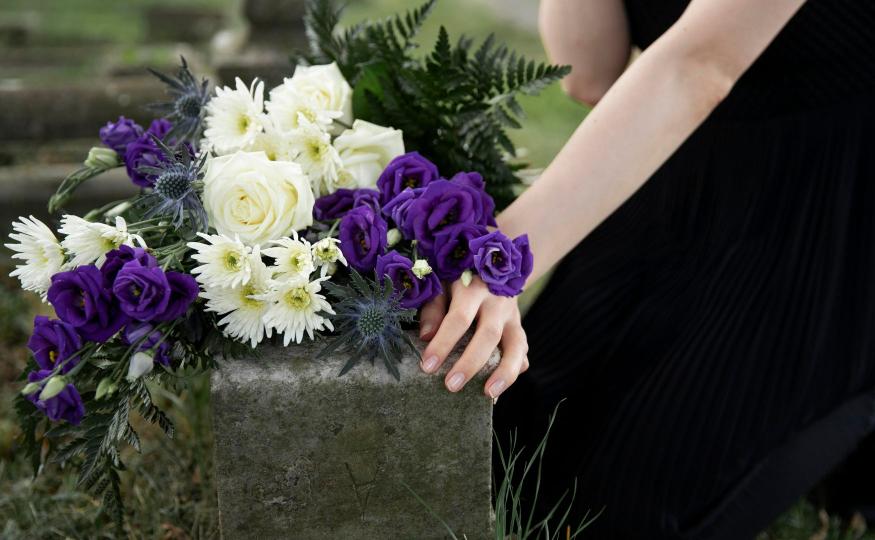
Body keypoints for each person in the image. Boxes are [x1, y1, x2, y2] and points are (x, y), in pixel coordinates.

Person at [417, 0, 875, 537]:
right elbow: (588, 73)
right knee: (521, 447)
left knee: (623, 502)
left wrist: (500, 257)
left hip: (826, 203)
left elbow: (697, 65)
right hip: (683, 172)